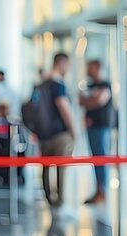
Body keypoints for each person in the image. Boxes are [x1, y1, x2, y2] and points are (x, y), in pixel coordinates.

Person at [38, 53, 77, 209]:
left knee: (46, 167)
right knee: (62, 168)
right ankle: (60, 202)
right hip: (60, 134)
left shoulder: (42, 83)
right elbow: (64, 107)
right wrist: (74, 131)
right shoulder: (57, 84)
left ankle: (50, 200)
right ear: (61, 63)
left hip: (44, 134)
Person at [79, 60, 114, 204]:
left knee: (101, 158)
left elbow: (98, 101)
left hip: (102, 127)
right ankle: (98, 189)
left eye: (91, 67)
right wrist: (91, 99)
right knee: (95, 159)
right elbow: (81, 100)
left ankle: (103, 191)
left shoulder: (105, 85)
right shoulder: (90, 85)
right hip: (91, 127)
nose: (88, 69)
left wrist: (90, 100)